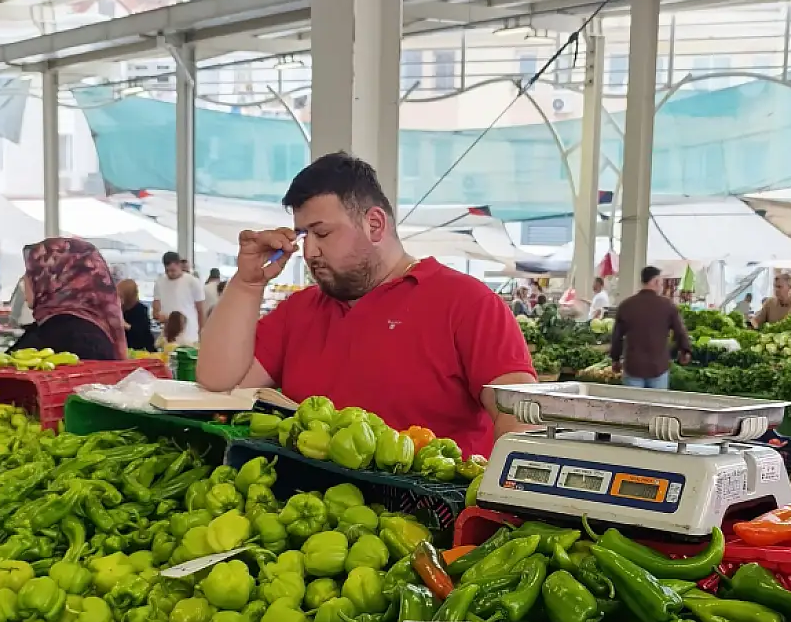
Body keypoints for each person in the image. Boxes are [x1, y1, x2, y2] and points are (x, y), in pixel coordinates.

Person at [196, 151, 536, 457]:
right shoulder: (300, 310)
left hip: (433, 518)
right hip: (309, 512)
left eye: (322, 233)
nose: (309, 252)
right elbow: (220, 383)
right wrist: (247, 284)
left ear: (374, 224)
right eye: (303, 236)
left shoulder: (468, 304)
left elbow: (521, 418)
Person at [9, 237, 127, 361]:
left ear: (50, 278)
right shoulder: (96, 330)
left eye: (31, 273)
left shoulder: (58, 335)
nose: (25, 281)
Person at [610, 266, 693, 390]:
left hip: (633, 366)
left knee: (633, 407)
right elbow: (679, 331)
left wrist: (615, 359)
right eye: (660, 282)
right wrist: (685, 350)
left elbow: (617, 336)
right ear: (655, 282)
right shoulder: (667, 305)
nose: (661, 286)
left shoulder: (626, 305)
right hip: (658, 366)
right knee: (656, 407)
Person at [152, 251, 206, 345]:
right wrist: (158, 315)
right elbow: (156, 308)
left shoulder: (192, 282)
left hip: (190, 334)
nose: (170, 273)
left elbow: (200, 309)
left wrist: (202, 331)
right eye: (167, 270)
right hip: (169, 334)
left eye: (173, 270)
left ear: (179, 265)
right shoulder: (159, 282)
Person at [118, 279, 157, 353]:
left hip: (142, 350)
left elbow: (142, 332)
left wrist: (127, 326)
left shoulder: (141, 310)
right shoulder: (117, 309)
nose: (119, 299)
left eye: (121, 297)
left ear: (129, 296)